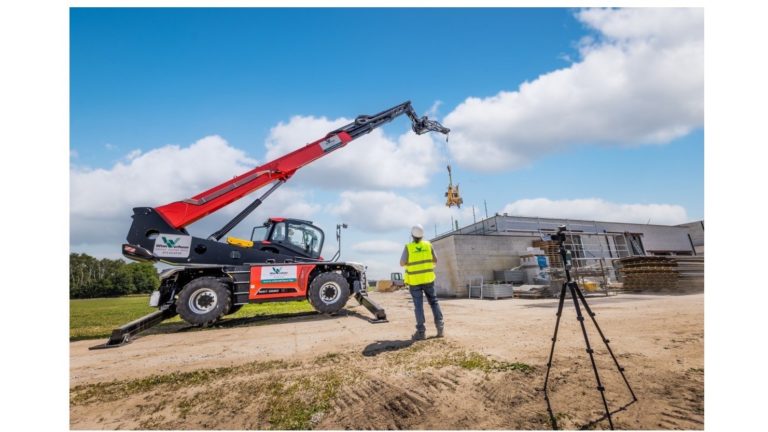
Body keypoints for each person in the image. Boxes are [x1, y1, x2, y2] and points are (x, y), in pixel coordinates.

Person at [400, 224, 444, 340]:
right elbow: (435, 260)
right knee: (434, 302)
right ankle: (440, 329)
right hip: (428, 279)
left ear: (412, 236)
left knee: (418, 306)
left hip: (414, 281)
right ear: (422, 235)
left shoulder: (408, 247)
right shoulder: (428, 245)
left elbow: (402, 263)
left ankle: (421, 332)